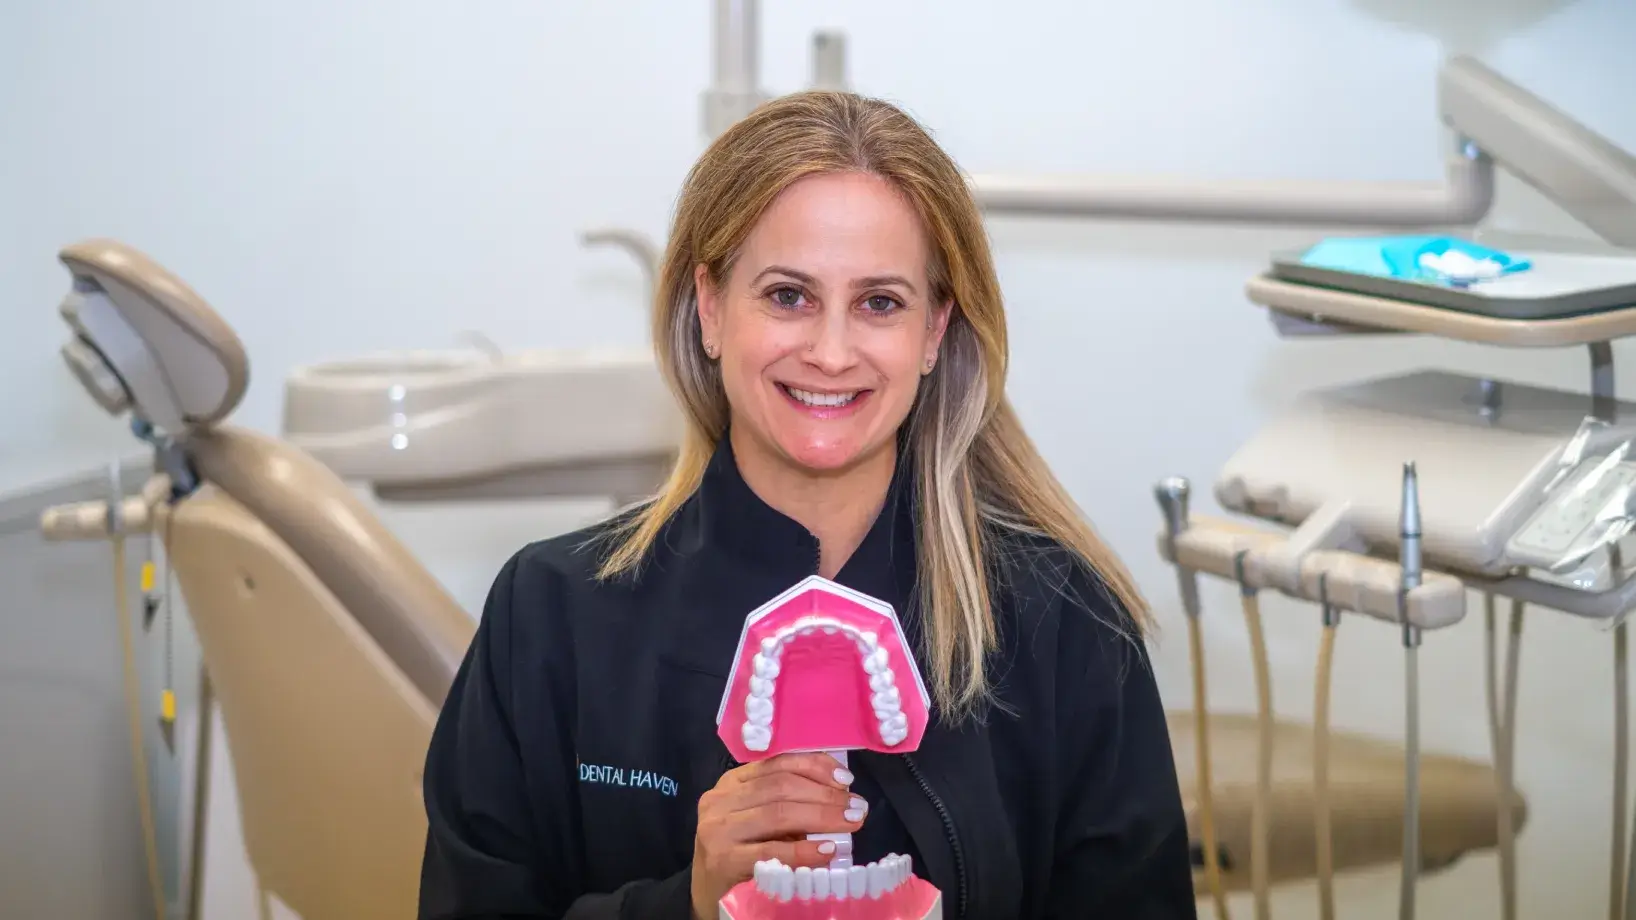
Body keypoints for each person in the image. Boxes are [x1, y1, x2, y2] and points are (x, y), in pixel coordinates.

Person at [417, 90, 1197, 919]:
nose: (829, 352)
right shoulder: (549, 616)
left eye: (879, 303)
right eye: (788, 295)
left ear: (934, 331)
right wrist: (685, 903)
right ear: (710, 307)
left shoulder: (1065, 625)